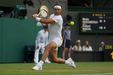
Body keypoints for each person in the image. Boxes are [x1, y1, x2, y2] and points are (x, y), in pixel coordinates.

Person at [32, 5, 76, 70]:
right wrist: (39, 18)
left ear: (60, 11)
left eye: (58, 9)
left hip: (58, 39)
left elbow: (47, 21)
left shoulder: (59, 18)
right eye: (55, 9)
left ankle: (39, 65)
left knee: (47, 47)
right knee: (55, 59)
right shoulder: (52, 15)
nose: (56, 10)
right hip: (51, 39)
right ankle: (68, 62)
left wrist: (37, 18)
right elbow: (47, 22)